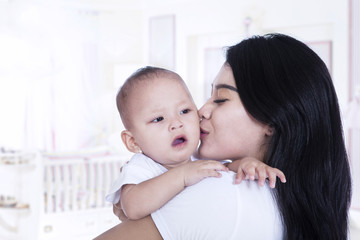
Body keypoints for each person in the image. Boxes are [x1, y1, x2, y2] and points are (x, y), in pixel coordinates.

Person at [95, 33, 352, 240]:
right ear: (132, 140)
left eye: (221, 99)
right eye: (208, 96)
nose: (201, 111)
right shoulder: (280, 194)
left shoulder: (225, 193)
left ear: (270, 120)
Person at [105, 66, 286, 220]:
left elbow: (223, 168)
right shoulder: (141, 167)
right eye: (159, 118)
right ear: (133, 141)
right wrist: (182, 175)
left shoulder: (196, 157)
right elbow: (131, 207)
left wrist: (246, 165)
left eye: (184, 111)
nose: (177, 123)